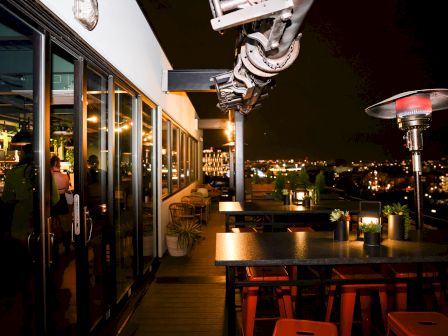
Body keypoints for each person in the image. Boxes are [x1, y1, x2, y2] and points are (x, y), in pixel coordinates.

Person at [1, 143, 35, 241]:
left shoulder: (14, 172)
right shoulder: (44, 171)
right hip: (42, 221)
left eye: (20, 153)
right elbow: (55, 198)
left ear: (23, 154)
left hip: (21, 221)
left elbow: (6, 198)